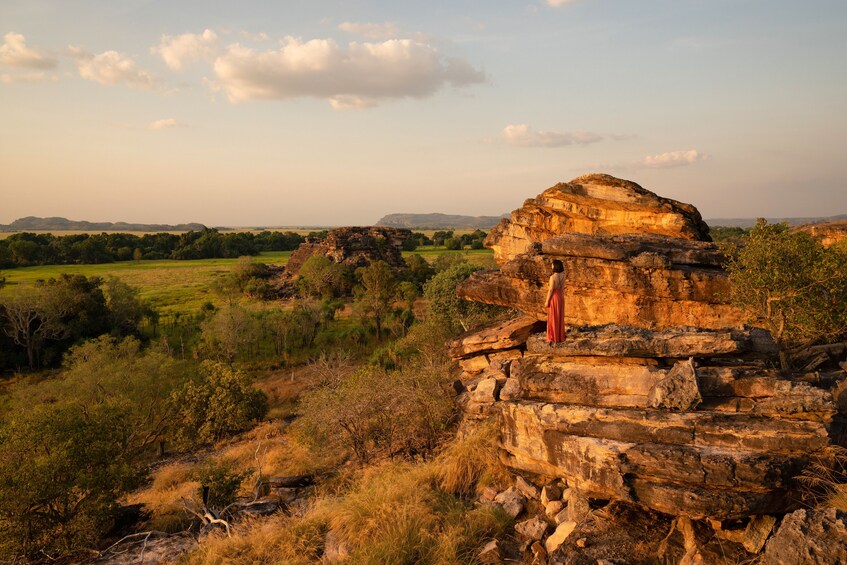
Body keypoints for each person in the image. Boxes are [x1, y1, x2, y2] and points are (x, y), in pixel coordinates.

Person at [545, 259, 565, 342]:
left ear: (555, 266)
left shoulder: (552, 277)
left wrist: (547, 301)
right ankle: (560, 336)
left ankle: (553, 337)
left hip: (554, 297)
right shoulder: (563, 276)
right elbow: (562, 288)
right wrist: (562, 298)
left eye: (552, 265)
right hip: (561, 297)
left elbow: (551, 290)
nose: (551, 266)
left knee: (553, 316)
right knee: (559, 316)